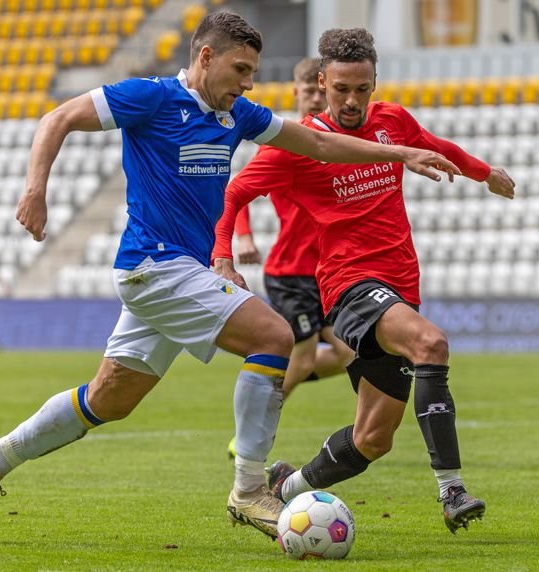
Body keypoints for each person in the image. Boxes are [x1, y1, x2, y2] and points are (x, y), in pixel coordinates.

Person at [0, 12, 463, 541]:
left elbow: (323, 146)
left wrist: (400, 151)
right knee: (274, 335)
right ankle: (248, 491)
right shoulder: (149, 98)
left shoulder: (237, 114)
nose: (248, 83)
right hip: (154, 265)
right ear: (205, 57)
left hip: (178, 273)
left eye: (253, 72)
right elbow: (55, 119)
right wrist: (36, 189)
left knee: (109, 399)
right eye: (240, 69)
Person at [212, 28, 515, 534]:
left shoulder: (392, 121)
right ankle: (452, 489)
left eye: (362, 89)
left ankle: (283, 487)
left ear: (374, 83)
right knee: (431, 343)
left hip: (400, 286)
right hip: (349, 285)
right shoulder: (299, 143)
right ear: (323, 81)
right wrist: (224, 252)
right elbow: (232, 194)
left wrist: (485, 173)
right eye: (341, 89)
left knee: (373, 438)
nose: (352, 101)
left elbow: (436, 147)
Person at [226, 57, 354, 459]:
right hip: (289, 271)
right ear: (297, 92)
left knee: (352, 353)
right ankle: (257, 425)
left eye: (322, 91)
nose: (317, 98)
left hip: (328, 270)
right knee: (302, 348)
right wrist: (242, 237)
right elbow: (239, 191)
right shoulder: (284, 140)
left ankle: (273, 391)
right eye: (310, 91)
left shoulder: (339, 141)